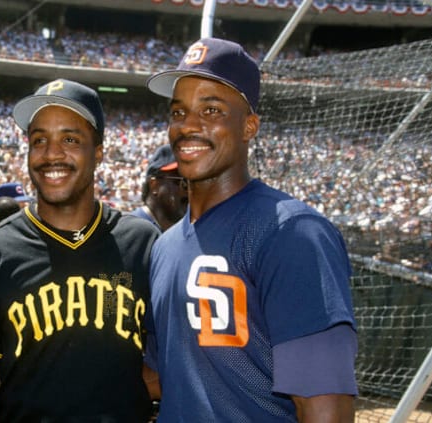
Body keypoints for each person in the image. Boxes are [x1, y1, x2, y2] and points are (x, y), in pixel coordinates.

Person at [145, 37, 358, 422]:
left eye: (211, 110)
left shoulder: (292, 233)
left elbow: (325, 408)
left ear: (249, 126)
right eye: (179, 112)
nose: (189, 126)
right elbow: (164, 378)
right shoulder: (166, 246)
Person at [0, 78, 161, 422]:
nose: (52, 153)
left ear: (100, 151)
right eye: (39, 140)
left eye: (70, 139)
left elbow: (164, 365)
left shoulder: (142, 242)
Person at [131, 144, 188, 232]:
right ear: (154, 185)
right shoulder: (131, 231)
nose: (190, 190)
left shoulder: (181, 233)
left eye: (194, 182)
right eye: (183, 182)